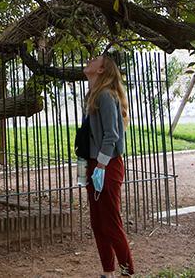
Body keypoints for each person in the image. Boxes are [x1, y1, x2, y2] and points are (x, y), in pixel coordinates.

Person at [81, 54, 135, 277]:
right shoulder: (93, 94)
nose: (89, 61)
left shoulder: (104, 95)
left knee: (111, 222)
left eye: (95, 60)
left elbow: (112, 135)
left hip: (107, 165)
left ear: (102, 70)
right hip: (94, 163)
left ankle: (127, 272)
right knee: (98, 222)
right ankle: (108, 271)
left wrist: (100, 167)